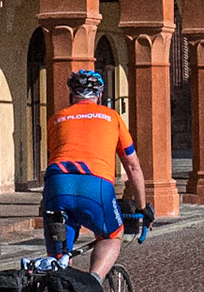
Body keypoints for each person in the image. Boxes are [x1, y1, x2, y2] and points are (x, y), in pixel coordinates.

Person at [42, 69, 151, 278]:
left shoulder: (56, 119)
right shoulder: (112, 118)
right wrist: (142, 207)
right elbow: (133, 167)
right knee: (112, 235)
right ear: (99, 96)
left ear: (71, 95)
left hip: (56, 186)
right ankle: (93, 284)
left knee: (57, 265)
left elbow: (55, 154)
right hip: (95, 185)